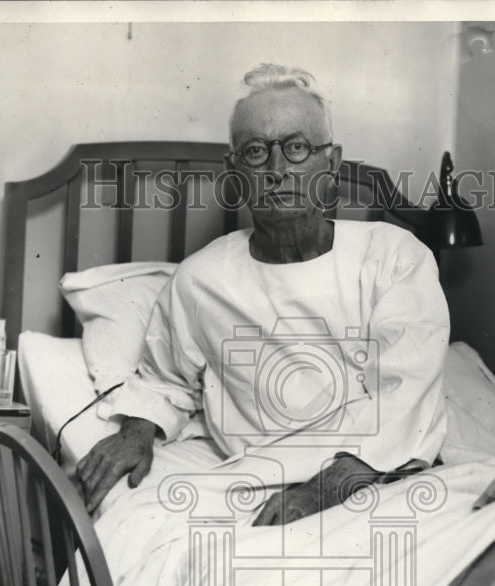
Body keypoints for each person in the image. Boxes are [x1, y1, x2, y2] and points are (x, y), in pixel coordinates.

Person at [77, 64, 449, 525]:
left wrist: (320, 493)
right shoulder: (201, 279)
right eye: (256, 152)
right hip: (264, 479)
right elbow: (165, 380)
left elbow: (405, 395)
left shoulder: (394, 257)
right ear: (235, 172)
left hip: (383, 474)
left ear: (330, 164)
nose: (277, 171)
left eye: (296, 148)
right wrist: (135, 432)